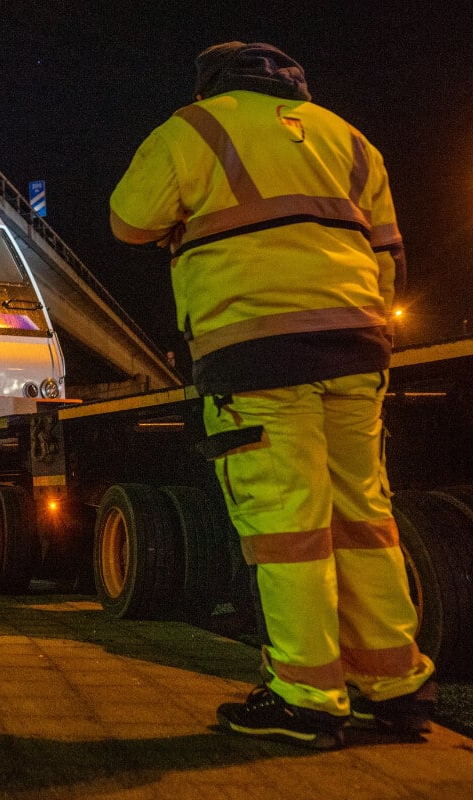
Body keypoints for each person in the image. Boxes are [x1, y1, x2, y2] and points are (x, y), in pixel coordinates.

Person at [109, 41, 435, 750]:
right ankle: (398, 685)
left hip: (257, 352)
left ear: (211, 82)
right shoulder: (348, 137)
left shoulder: (192, 130)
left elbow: (129, 220)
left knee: (288, 530)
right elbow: (389, 255)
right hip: (356, 353)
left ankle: (309, 699)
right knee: (364, 520)